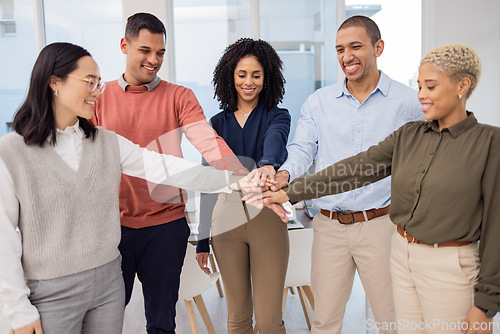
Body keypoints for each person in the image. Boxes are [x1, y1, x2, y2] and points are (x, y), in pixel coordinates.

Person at [254, 43, 499, 334]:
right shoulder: (409, 135)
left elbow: (496, 227)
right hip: (401, 255)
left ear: (463, 86)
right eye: (419, 86)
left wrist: (485, 303)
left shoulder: (489, 143)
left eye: (430, 87)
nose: (420, 94)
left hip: (450, 265)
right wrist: (289, 191)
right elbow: (356, 168)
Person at [0, 42, 242, 334]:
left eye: (98, 83)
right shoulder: (11, 152)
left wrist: (235, 179)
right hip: (50, 292)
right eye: (89, 82)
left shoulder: (106, 142)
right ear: (54, 82)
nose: (96, 92)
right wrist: (16, 309)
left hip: (107, 286)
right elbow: (4, 238)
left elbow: (166, 167)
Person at [260, 15, 422, 334]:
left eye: (356, 47)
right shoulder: (318, 102)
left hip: (381, 225)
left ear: (378, 47)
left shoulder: (408, 103)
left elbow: (421, 165)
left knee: (391, 320)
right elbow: (302, 146)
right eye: (339, 49)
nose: (346, 56)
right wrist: (285, 173)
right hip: (330, 227)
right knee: (325, 322)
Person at [92, 12, 245, 334]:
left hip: (165, 226)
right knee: (104, 323)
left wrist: (239, 175)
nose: (154, 60)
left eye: (160, 53)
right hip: (111, 228)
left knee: (162, 323)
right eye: (145, 51)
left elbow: (207, 140)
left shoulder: (179, 96)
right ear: (125, 45)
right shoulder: (98, 99)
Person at [195, 38, 291, 333]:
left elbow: (276, 140)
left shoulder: (278, 116)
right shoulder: (216, 124)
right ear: (230, 76)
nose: (249, 82)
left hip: (265, 214)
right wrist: (202, 239)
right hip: (225, 220)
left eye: (256, 75)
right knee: (236, 318)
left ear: (267, 78)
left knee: (268, 321)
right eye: (242, 74)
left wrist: (267, 164)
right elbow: (208, 182)